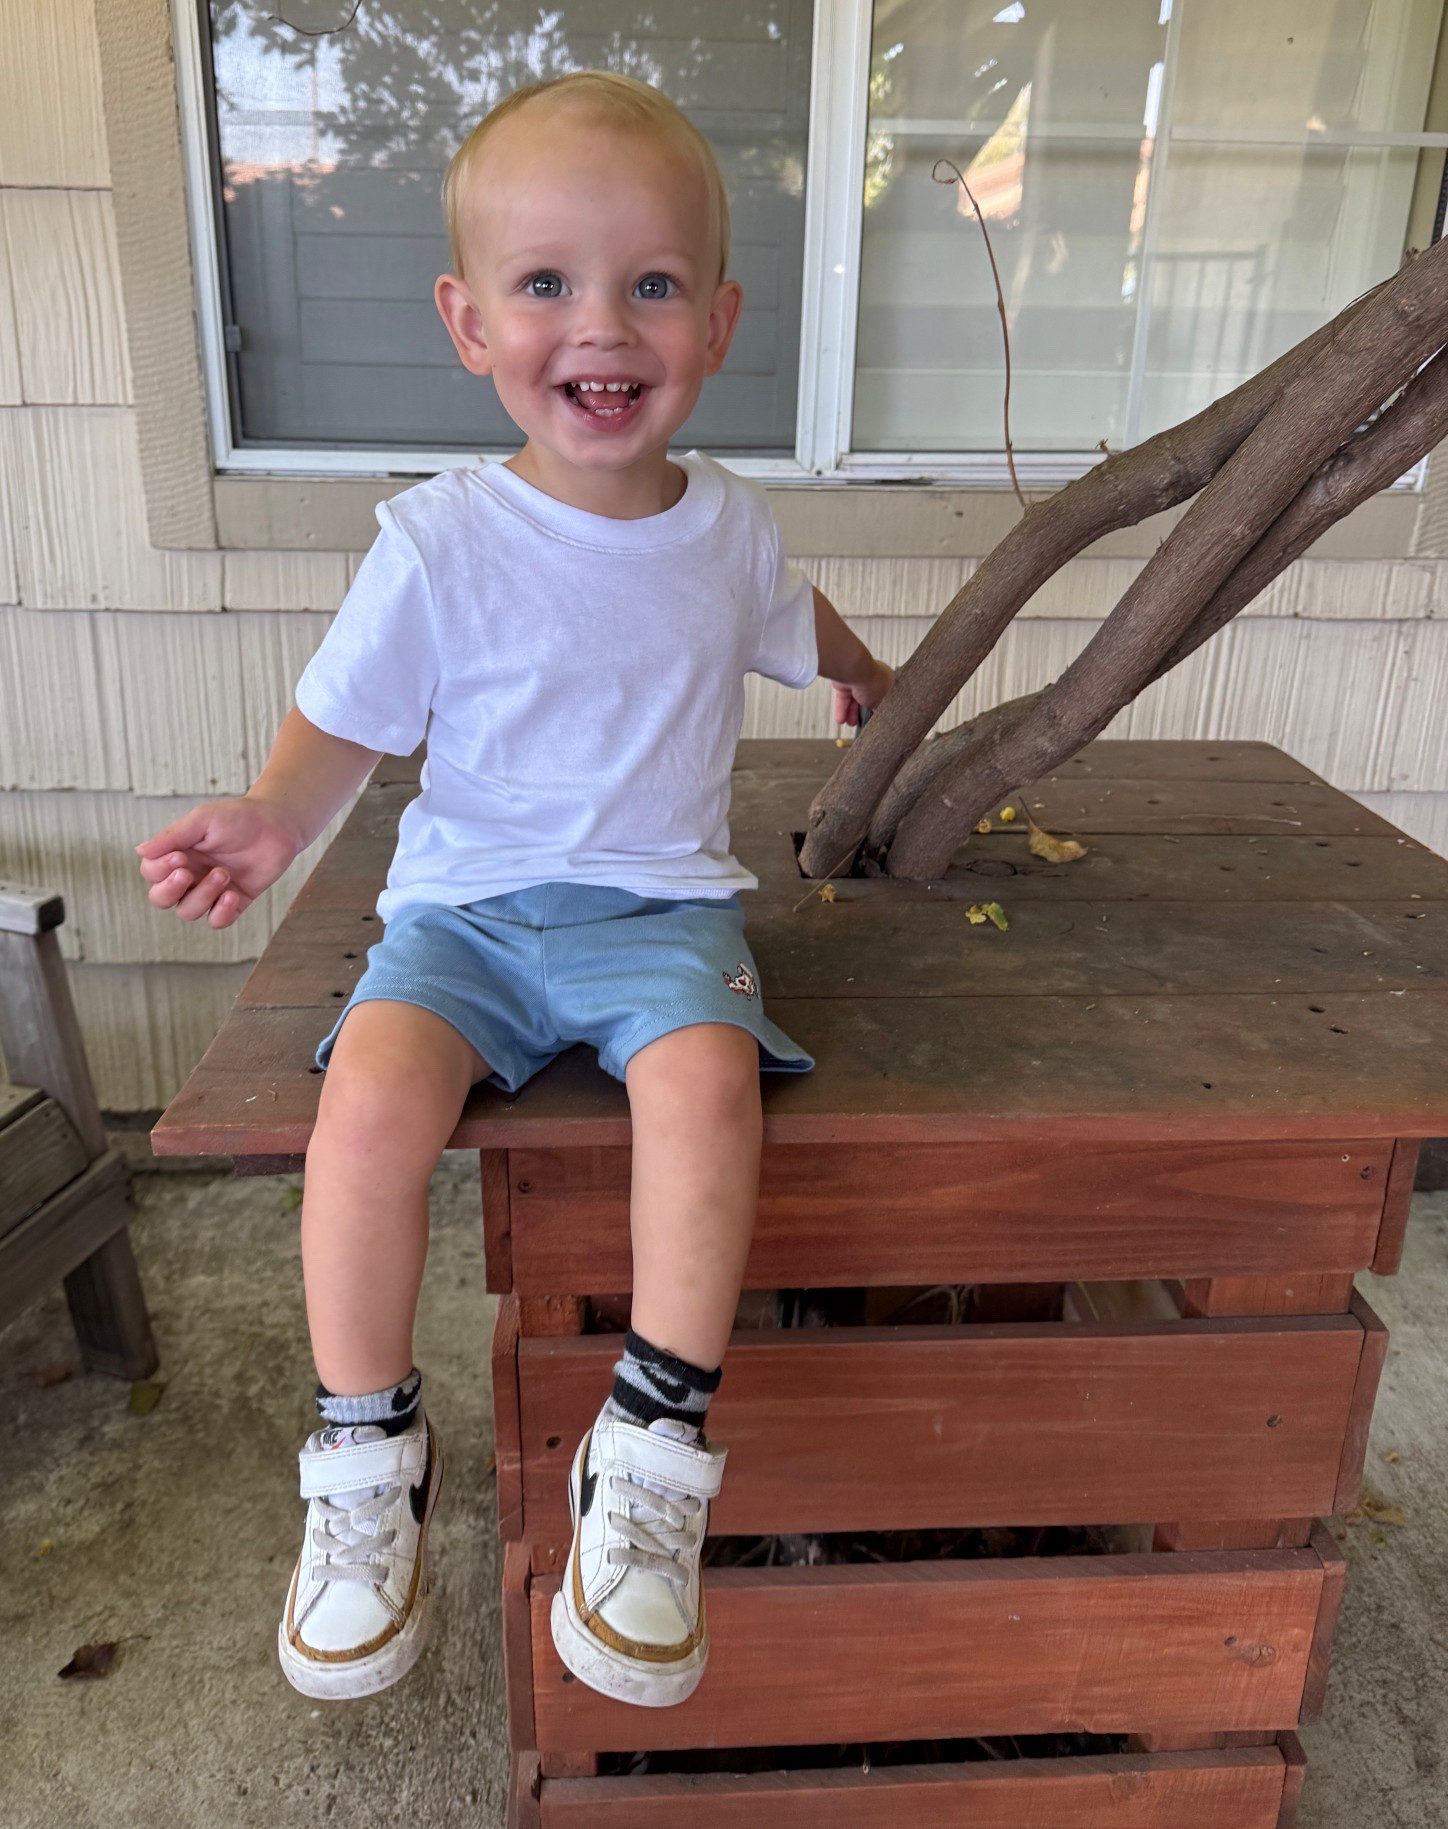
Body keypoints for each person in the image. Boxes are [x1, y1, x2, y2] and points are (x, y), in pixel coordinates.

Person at [135, 69, 893, 1710]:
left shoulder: (733, 532)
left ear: (720, 317)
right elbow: (345, 722)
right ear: (468, 322)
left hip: (661, 921)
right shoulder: (439, 541)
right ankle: (365, 1457)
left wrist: (870, 683)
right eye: (545, 283)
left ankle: (651, 1446)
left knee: (708, 1088)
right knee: (366, 1109)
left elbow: (801, 626)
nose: (599, 326)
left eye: (652, 284)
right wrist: (272, 823)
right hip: (462, 923)